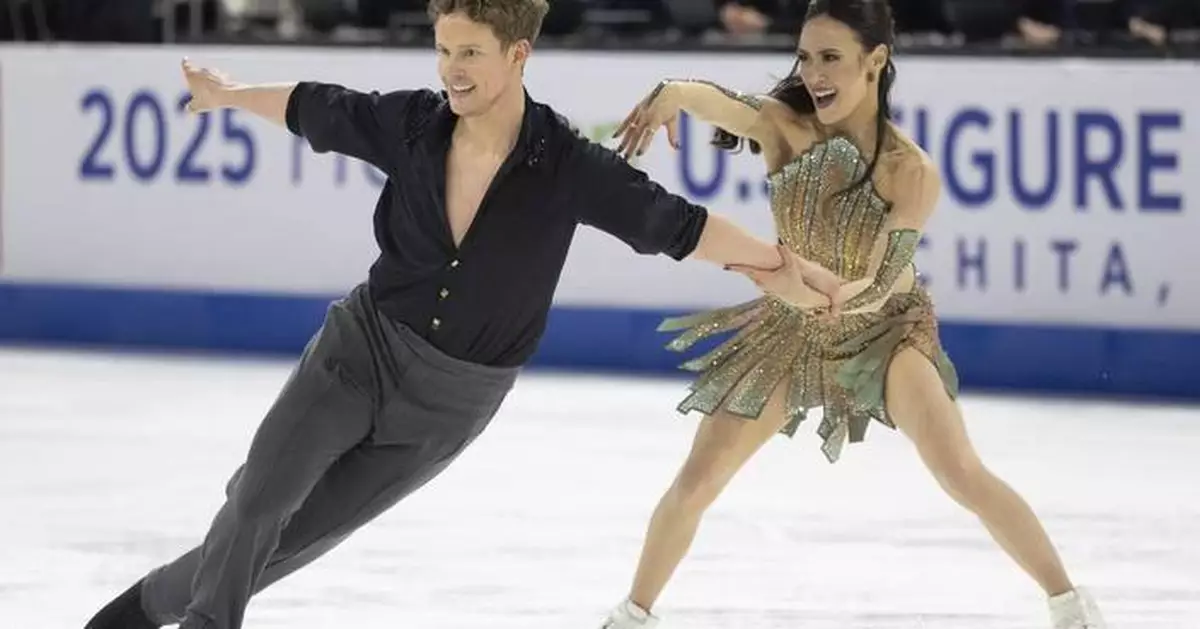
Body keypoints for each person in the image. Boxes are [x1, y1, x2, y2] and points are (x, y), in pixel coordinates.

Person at [81, 2, 791, 628]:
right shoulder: (415, 124)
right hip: (360, 349)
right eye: (445, 50)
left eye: (471, 53)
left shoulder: (567, 164)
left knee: (289, 539)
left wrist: (776, 264)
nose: (452, 69)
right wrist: (230, 96)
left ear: (518, 55)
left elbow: (676, 224)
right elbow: (317, 106)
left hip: (450, 406)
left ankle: (143, 607)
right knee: (261, 495)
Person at [596, 1, 1107, 628]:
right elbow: (716, 101)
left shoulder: (909, 170)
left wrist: (834, 296)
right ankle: (632, 617)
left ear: (876, 61)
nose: (813, 74)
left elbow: (887, 274)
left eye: (831, 57)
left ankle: (1071, 607)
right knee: (698, 481)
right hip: (791, 326)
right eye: (806, 58)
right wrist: (670, 92)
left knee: (959, 471)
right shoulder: (785, 126)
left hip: (885, 331)